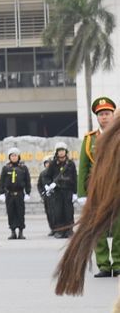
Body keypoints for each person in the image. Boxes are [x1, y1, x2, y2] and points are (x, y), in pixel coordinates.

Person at [78, 96, 120, 277]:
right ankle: (103, 264)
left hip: (117, 187)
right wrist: (82, 193)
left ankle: (118, 262)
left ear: (113, 115)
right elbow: (83, 167)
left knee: (119, 226)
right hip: (97, 189)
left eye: (108, 113)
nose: (104, 117)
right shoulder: (89, 140)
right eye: (101, 114)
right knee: (97, 227)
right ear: (97, 117)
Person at [0, 147, 31, 240]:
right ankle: (13, 232)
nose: (14, 157)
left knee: (20, 213)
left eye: (15, 155)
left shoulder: (23, 168)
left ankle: (21, 232)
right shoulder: (6, 168)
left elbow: (27, 181)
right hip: (9, 194)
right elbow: (2, 181)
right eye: (12, 155)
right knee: (11, 213)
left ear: (18, 156)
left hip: (20, 193)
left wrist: (28, 193)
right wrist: (1, 193)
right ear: (9, 157)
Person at [45, 142, 77, 239]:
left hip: (68, 190)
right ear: (56, 152)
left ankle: (69, 230)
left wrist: (75, 193)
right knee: (58, 211)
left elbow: (75, 178)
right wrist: (49, 185)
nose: (61, 153)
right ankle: (60, 231)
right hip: (57, 191)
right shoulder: (53, 164)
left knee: (69, 211)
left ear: (66, 151)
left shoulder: (70, 164)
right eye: (59, 151)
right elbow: (47, 176)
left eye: (63, 150)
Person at [37, 156, 55, 236]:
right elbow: (39, 185)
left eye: (50, 163)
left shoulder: (55, 173)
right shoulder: (43, 174)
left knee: (57, 213)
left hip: (56, 196)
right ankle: (52, 229)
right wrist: (42, 194)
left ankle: (58, 229)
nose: (48, 164)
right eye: (46, 163)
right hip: (47, 197)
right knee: (49, 213)